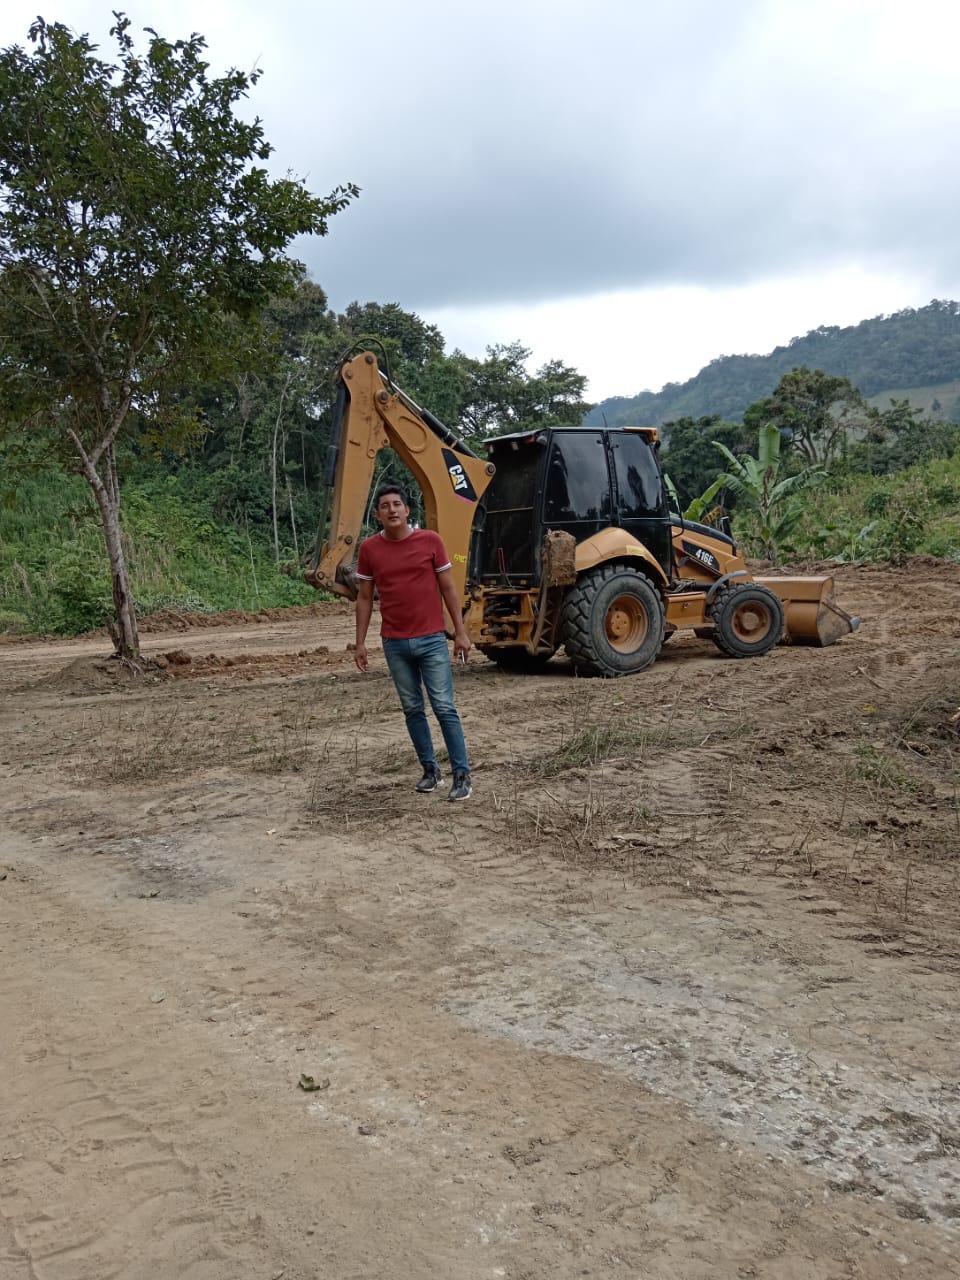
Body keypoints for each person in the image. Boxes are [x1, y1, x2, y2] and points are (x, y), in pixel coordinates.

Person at [354, 484, 473, 801]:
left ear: (407, 510)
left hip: (432, 639)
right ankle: (430, 771)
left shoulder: (430, 541)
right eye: (385, 505)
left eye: (397, 504)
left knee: (444, 707)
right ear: (377, 514)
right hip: (394, 643)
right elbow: (364, 598)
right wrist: (360, 643)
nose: (391, 510)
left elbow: (448, 588)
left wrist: (460, 632)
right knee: (412, 709)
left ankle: (462, 775)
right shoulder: (369, 550)